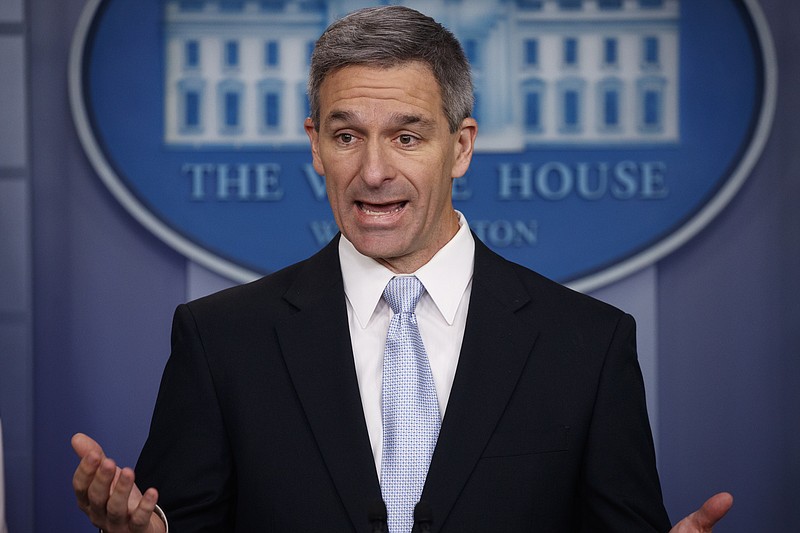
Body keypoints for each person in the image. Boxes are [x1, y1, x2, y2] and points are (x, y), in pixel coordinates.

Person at [72, 6, 733, 532]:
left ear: (462, 146)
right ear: (315, 145)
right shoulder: (219, 339)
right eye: (347, 134)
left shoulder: (588, 344)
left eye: (407, 136)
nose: (374, 170)